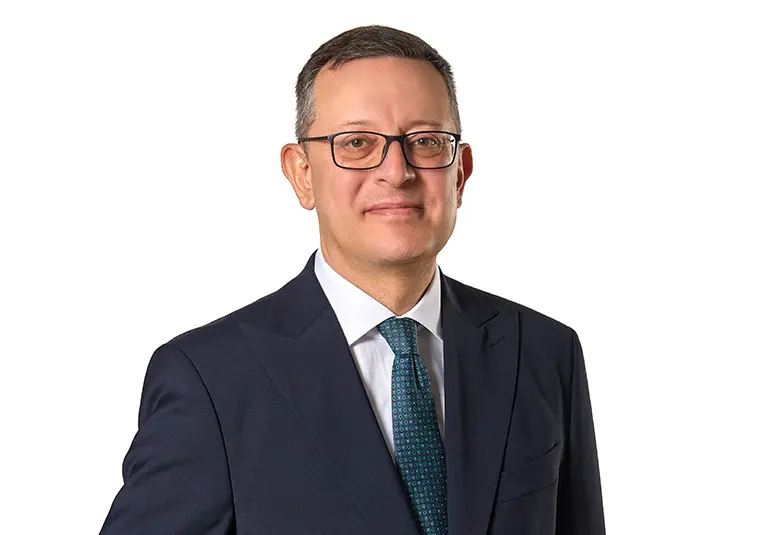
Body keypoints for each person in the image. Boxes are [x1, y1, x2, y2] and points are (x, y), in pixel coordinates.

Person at [99, 25, 605, 535]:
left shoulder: (544, 352)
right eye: (357, 143)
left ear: (461, 173)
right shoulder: (210, 378)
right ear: (301, 174)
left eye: (426, 142)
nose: (397, 171)